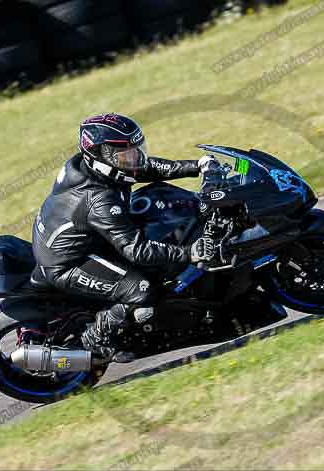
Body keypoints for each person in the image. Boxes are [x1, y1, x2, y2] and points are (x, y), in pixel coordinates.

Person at [31, 113, 219, 363]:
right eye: (126, 154)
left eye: (135, 150)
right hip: (68, 264)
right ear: (100, 156)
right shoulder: (98, 200)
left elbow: (145, 168)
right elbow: (137, 250)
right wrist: (189, 253)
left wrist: (197, 166)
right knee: (142, 289)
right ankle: (96, 337)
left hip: (77, 239)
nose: (135, 159)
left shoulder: (91, 167)